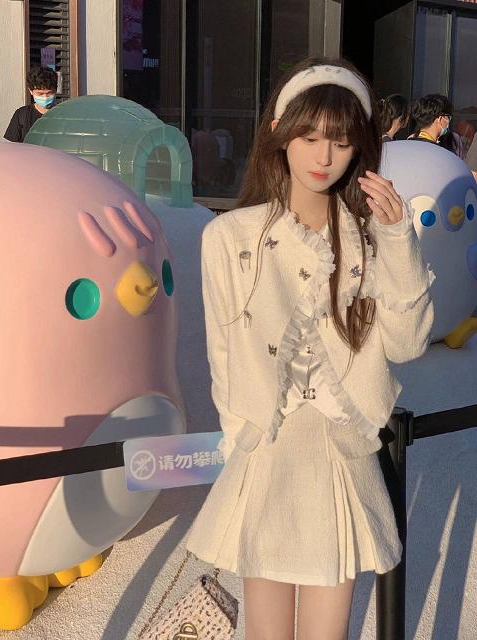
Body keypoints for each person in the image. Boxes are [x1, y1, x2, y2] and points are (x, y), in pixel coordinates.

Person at [186, 57, 434, 640]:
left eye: (341, 143)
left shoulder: (370, 240)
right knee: (266, 631)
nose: (324, 157)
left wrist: (398, 239)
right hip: (267, 453)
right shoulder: (229, 237)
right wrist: (242, 435)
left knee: (328, 631)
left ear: (360, 149)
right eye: (310, 137)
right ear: (280, 133)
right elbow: (223, 352)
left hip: (339, 455)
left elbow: (408, 343)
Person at [4, 65, 58, 143]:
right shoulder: (22, 114)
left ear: (55, 90)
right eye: (40, 94)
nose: (45, 97)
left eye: (49, 93)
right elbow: (13, 147)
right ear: (30, 91)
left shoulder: (65, 115)